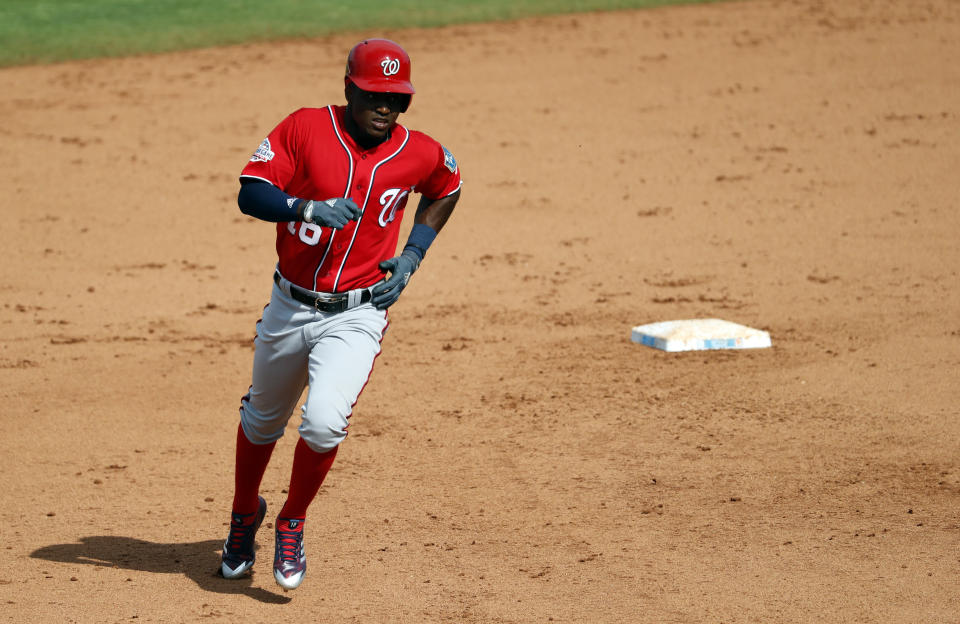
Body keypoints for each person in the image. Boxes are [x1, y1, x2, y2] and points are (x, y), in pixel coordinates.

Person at [218, 38, 462, 591]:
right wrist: (306, 206)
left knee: (325, 422)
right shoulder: (305, 127)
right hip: (290, 306)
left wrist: (414, 255)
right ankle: (242, 516)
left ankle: (292, 520)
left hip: (358, 314)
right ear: (349, 87)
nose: (386, 108)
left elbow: (449, 185)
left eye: (397, 99)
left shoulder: (418, 151)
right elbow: (250, 191)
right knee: (261, 421)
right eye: (375, 95)